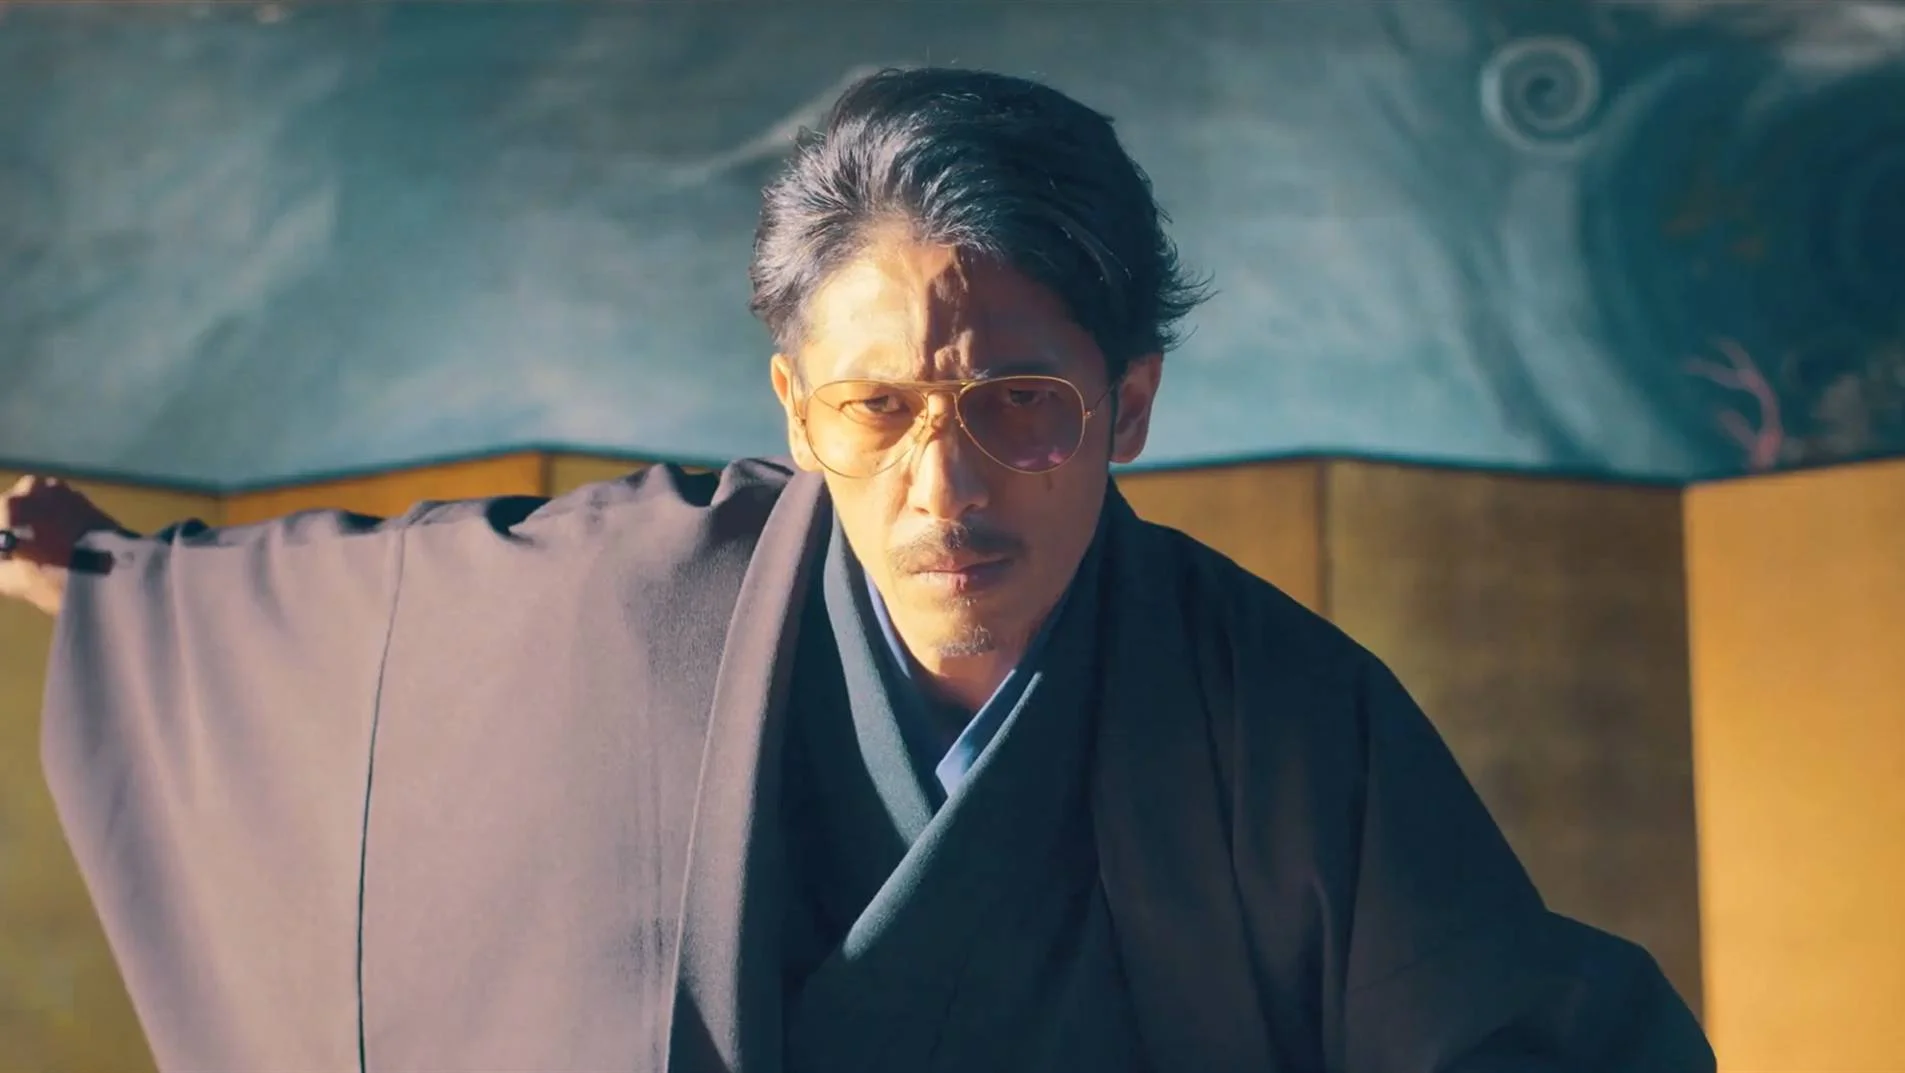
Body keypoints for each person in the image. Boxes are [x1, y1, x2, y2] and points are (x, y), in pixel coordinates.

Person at [0, 68, 1712, 1073]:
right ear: (793, 408)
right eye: (875, 410)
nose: (940, 486)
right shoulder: (651, 592)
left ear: (1129, 405)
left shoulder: (1276, 713)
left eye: (1021, 405)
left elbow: (1516, 1031)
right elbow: (369, 633)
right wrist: (116, 583)